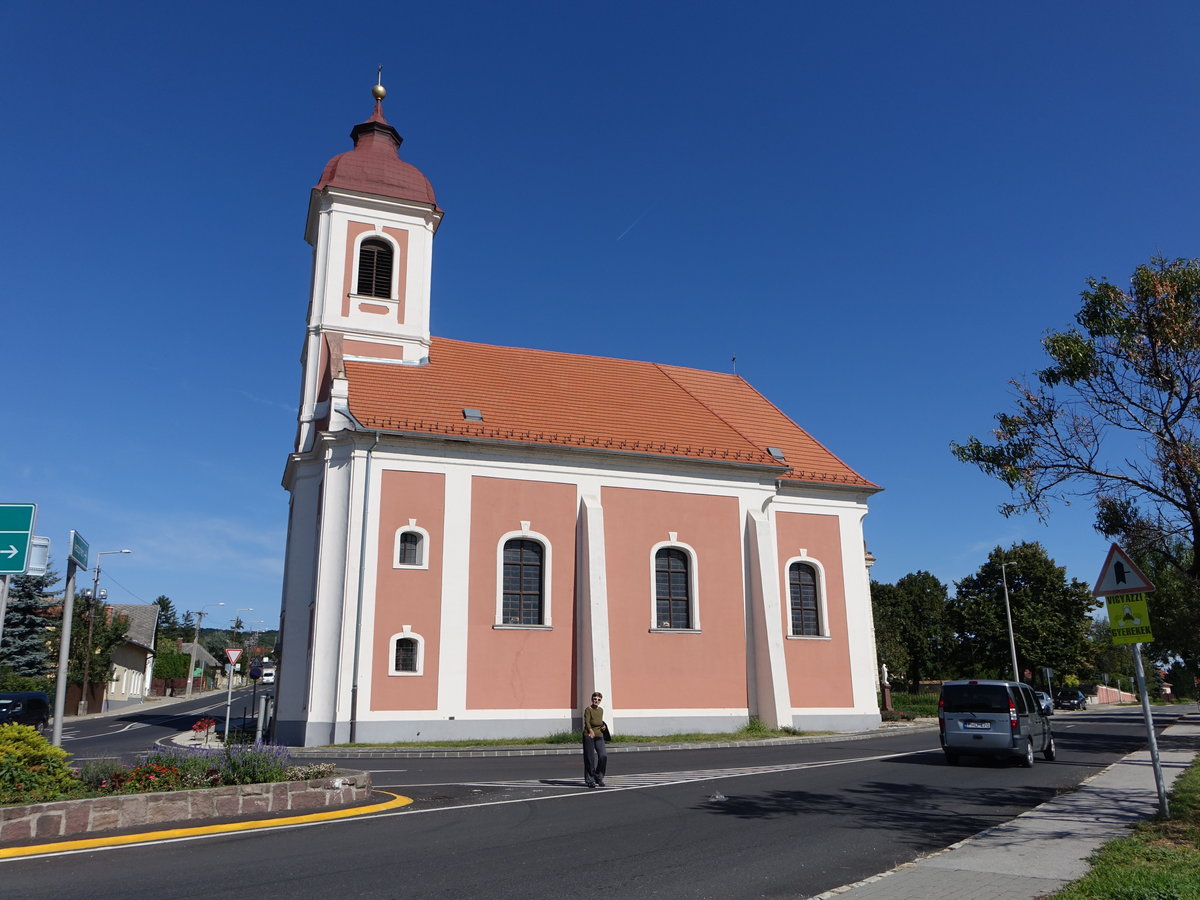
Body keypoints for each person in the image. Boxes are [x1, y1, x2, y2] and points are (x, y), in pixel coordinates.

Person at [582, 690, 607, 788]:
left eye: (598, 700)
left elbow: (600, 722)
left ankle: (598, 776)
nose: (596, 701)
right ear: (591, 699)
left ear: (600, 701)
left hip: (599, 735)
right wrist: (590, 731)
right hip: (589, 736)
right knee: (589, 758)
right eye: (594, 699)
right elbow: (587, 722)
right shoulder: (588, 709)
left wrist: (603, 726)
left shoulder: (601, 710)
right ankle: (590, 780)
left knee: (603, 756)